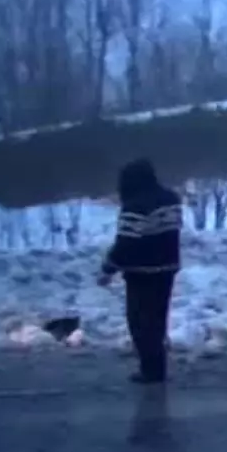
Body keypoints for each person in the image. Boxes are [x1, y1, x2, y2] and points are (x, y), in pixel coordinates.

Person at [97, 159, 183, 384]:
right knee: (158, 320)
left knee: (139, 321)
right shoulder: (171, 199)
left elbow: (127, 242)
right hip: (168, 268)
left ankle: (150, 370)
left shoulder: (135, 205)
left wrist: (109, 267)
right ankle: (158, 369)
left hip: (141, 272)